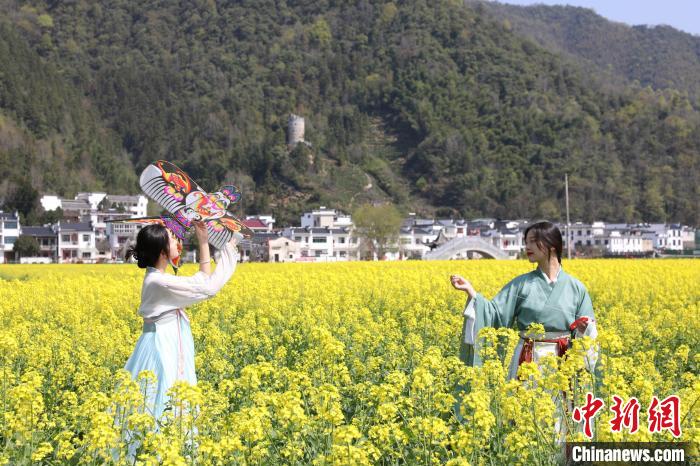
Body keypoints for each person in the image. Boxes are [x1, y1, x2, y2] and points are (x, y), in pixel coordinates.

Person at [123, 221, 240, 424]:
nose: (178, 241)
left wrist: (203, 240)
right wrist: (229, 247)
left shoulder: (159, 277)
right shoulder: (158, 282)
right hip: (162, 346)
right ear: (162, 251)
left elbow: (202, 280)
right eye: (172, 238)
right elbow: (208, 288)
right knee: (164, 397)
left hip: (168, 341)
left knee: (171, 397)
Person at [450, 221, 597, 379]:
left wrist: (583, 329)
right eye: (526, 242)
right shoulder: (521, 284)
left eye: (533, 241)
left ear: (552, 245)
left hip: (562, 360)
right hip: (527, 358)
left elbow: (589, 330)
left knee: (560, 402)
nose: (527, 247)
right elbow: (494, 314)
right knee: (526, 401)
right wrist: (471, 293)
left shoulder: (576, 287)